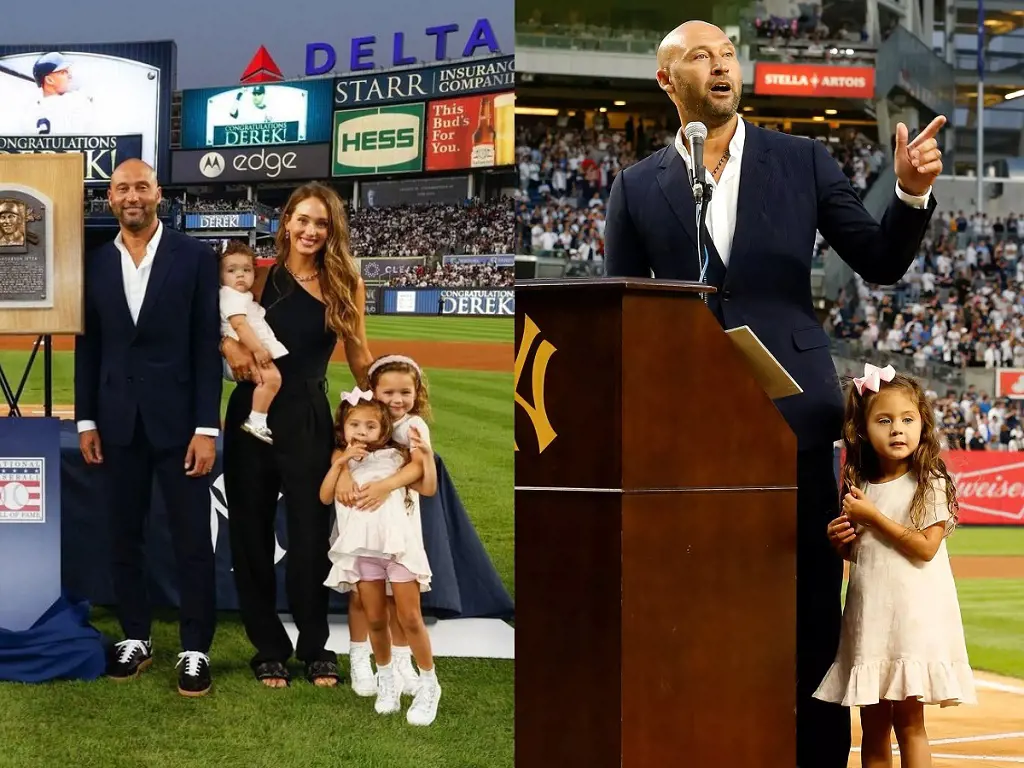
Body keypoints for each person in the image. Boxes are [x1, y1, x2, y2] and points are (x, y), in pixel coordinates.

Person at [603, 21, 945, 767]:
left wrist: (911, 194)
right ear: (668, 80)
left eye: (728, 54)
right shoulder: (634, 187)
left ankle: (817, 757)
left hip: (795, 414)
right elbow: (620, 310)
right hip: (686, 422)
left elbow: (880, 260)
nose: (721, 65)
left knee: (808, 598)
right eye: (701, 56)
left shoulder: (803, 159)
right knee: (695, 590)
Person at [73, 158, 221, 697]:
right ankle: (136, 635)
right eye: (121, 188)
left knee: (190, 541)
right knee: (123, 535)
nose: (131, 195)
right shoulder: (93, 262)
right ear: (109, 199)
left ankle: (194, 646)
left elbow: (207, 347)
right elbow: (88, 347)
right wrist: (86, 417)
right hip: (114, 422)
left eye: (141, 186)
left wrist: (208, 426)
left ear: (158, 192)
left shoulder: (196, 257)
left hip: (180, 425)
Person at [220, 182, 373, 689]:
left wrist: (386, 404)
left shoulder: (345, 281)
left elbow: (356, 354)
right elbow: (221, 319)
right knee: (251, 532)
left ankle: (314, 647)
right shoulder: (258, 278)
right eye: (302, 220)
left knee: (310, 536)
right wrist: (229, 346)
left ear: (332, 230)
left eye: (322, 223)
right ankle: (268, 647)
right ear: (285, 221)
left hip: (308, 410)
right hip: (253, 412)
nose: (310, 231)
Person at [815, 363, 976, 767]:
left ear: (923, 424)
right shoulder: (861, 486)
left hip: (911, 621)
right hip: (871, 619)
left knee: (909, 722)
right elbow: (869, 556)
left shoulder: (930, 480)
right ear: (862, 430)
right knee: (872, 727)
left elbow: (925, 548)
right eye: (884, 420)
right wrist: (842, 543)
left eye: (907, 419)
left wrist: (873, 518)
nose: (897, 429)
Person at [321, 388, 441, 725]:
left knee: (409, 617)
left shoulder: (398, 457)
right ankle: (385, 678)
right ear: (342, 429)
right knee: (375, 618)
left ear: (384, 429)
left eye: (370, 426)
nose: (361, 432)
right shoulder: (341, 458)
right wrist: (342, 464)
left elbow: (428, 486)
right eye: (354, 425)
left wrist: (425, 455)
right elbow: (325, 496)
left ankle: (429, 683)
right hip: (363, 551)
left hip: (399, 547)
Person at [219, 241, 287, 444]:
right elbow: (239, 324)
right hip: (245, 353)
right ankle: (257, 419)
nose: (240, 275)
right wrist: (258, 349)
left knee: (270, 379)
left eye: (246, 270)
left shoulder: (241, 295)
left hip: (246, 352)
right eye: (232, 270)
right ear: (220, 276)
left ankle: (257, 418)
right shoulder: (230, 295)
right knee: (273, 378)